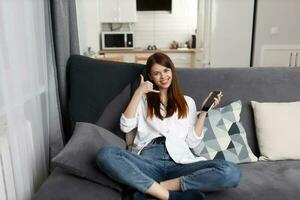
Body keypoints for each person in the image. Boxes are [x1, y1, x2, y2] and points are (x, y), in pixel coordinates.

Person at [96, 52, 241, 200]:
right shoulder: (143, 99)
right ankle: (171, 196)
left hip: (180, 162)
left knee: (231, 172)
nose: (163, 76)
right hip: (148, 160)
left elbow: (192, 141)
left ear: (172, 71)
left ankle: (156, 188)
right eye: (157, 73)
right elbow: (125, 127)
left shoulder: (187, 102)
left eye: (166, 70)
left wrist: (203, 112)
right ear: (150, 77)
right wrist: (138, 92)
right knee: (105, 154)